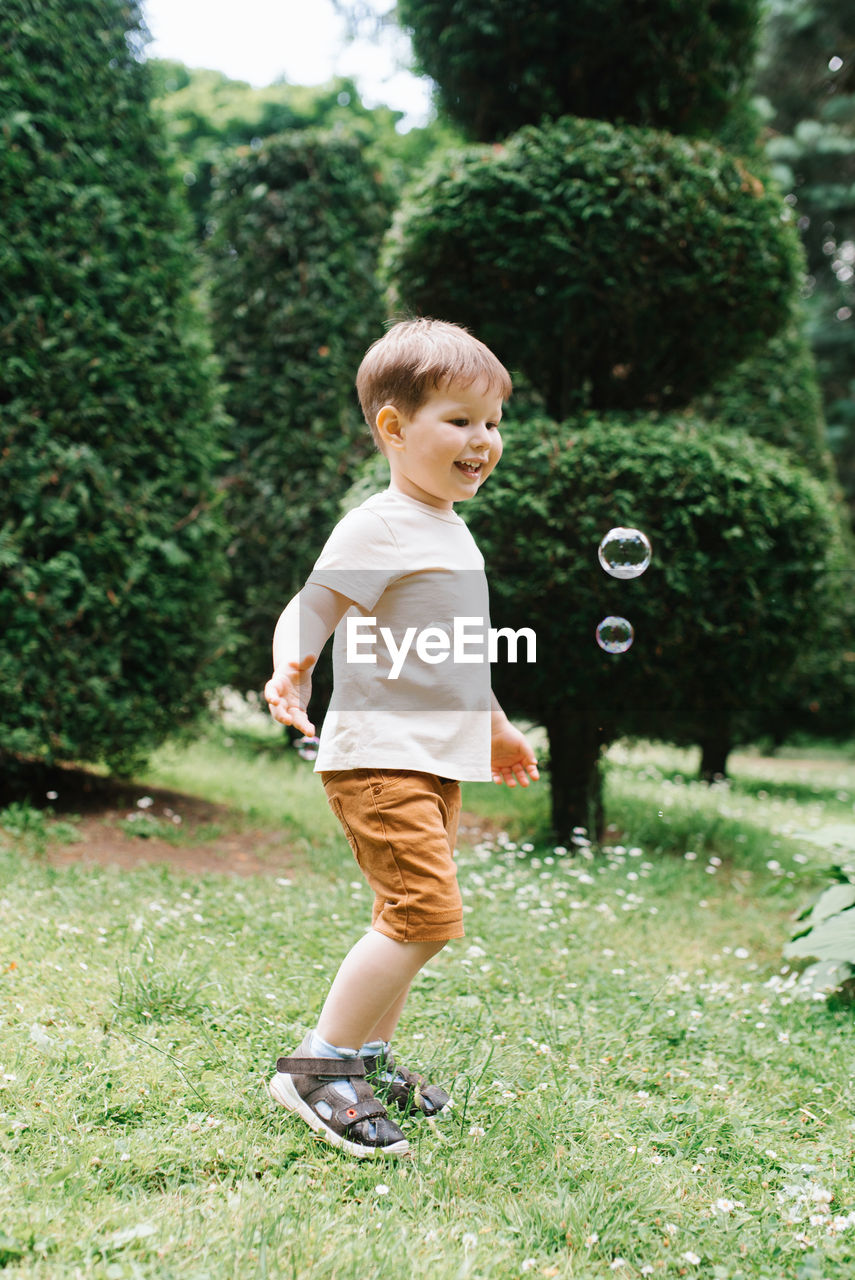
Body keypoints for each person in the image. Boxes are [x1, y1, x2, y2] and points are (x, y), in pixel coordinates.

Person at [264, 318, 539, 1158]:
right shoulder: (379, 524)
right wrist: (294, 666)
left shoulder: (449, 529)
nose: (483, 440)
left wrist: (492, 728)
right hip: (378, 761)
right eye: (460, 420)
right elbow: (312, 605)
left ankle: (369, 1060)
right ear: (393, 427)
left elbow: (454, 657)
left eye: (492, 422)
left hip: (429, 760)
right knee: (424, 917)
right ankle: (317, 1067)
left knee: (404, 910)